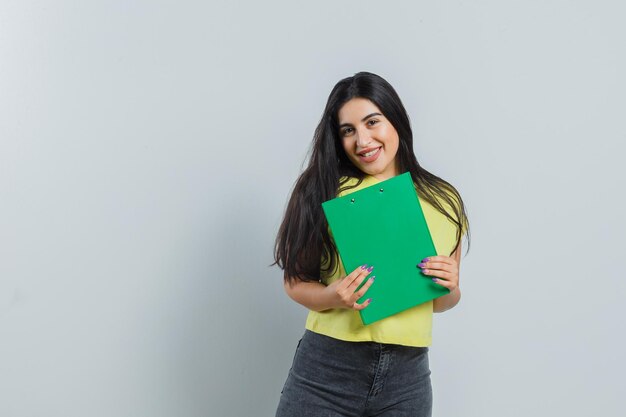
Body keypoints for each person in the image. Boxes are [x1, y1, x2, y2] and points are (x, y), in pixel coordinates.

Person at [272, 71, 470, 417]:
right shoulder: (323, 187)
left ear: (396, 119)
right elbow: (295, 280)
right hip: (327, 369)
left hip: (407, 379)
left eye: (372, 122)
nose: (362, 140)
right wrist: (332, 297)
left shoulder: (444, 200)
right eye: (348, 130)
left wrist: (450, 286)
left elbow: (441, 302)